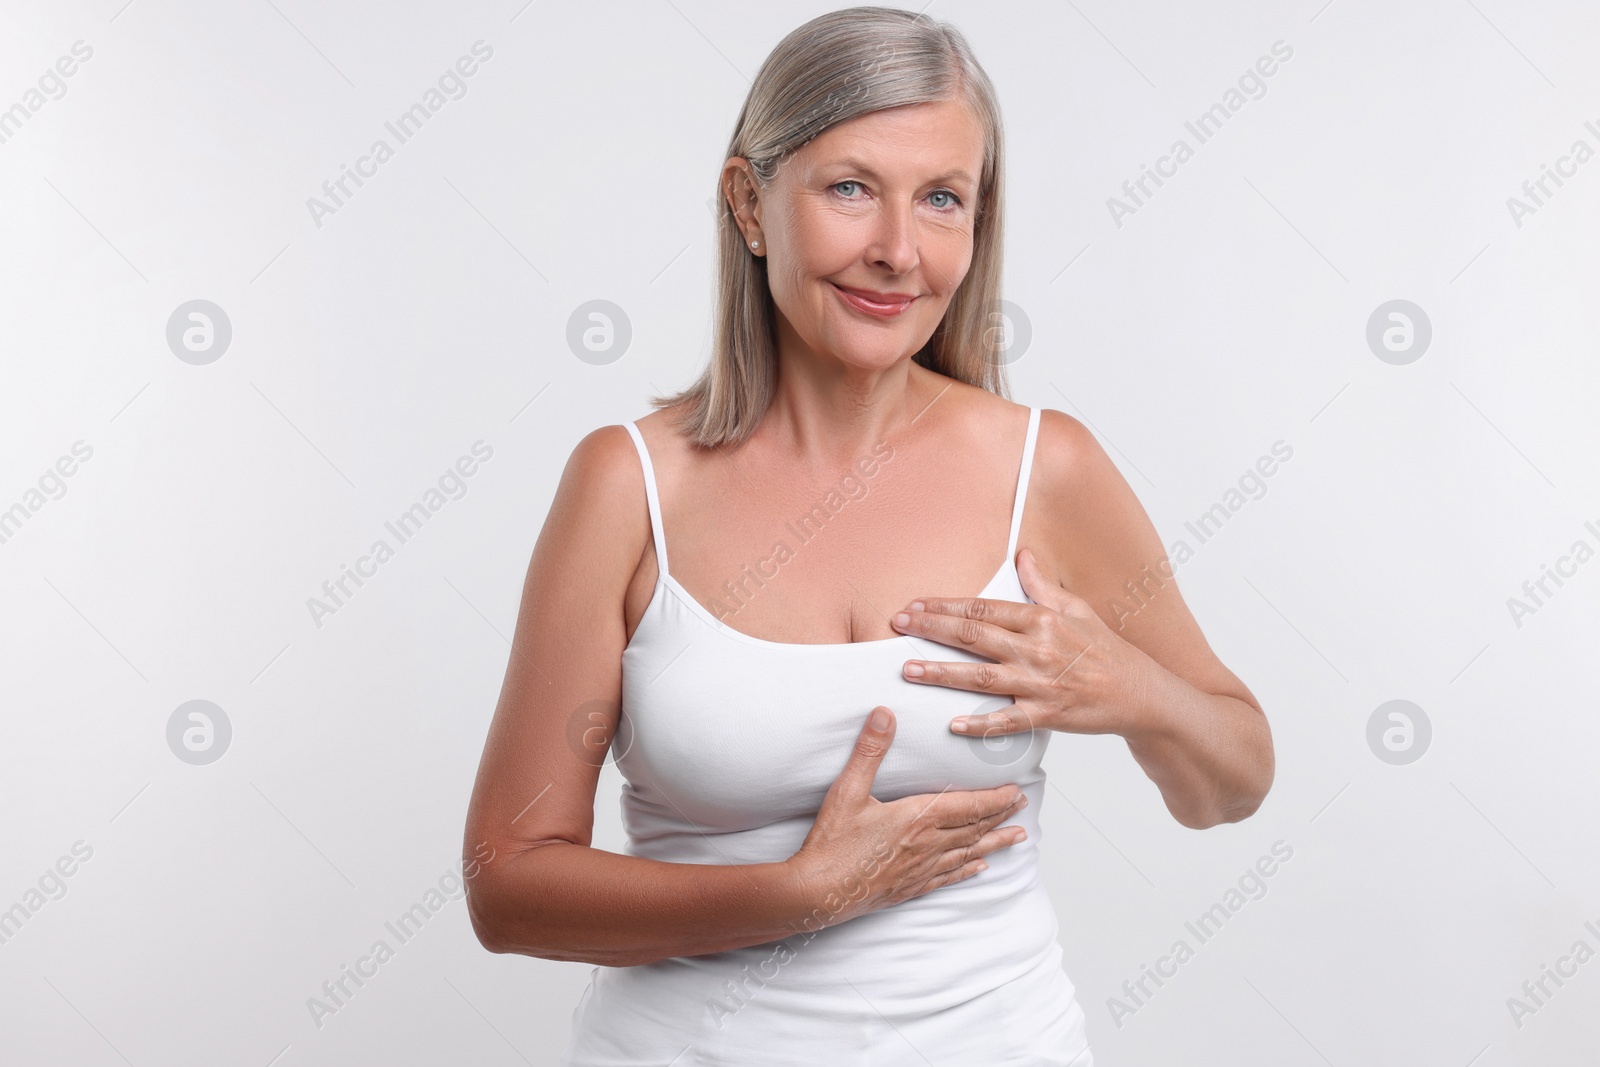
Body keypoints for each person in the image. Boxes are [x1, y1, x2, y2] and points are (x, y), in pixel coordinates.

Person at [462, 7, 1274, 1064]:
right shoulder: (627, 484)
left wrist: (1130, 687)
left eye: (942, 199)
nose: (897, 251)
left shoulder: (1046, 469)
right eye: (850, 187)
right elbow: (509, 883)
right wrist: (797, 892)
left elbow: (1233, 779)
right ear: (751, 204)